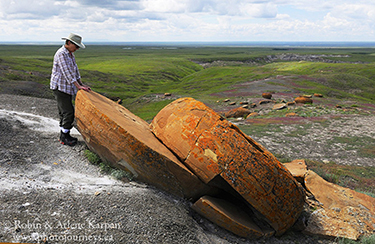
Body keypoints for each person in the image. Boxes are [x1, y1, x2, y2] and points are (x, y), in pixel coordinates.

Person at [50, 33, 91, 146]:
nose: (77, 49)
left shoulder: (69, 54)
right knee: (68, 112)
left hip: (66, 87)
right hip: (60, 87)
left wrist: (81, 84)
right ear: (68, 43)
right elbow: (67, 73)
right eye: (76, 46)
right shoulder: (61, 54)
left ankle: (64, 134)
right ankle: (64, 136)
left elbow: (75, 70)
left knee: (64, 112)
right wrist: (78, 87)